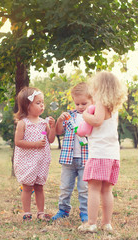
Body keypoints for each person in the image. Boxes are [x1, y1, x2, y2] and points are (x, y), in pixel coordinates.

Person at [77, 71, 127, 233]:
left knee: (93, 188)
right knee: (107, 190)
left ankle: (91, 223)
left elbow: (97, 121)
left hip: (99, 154)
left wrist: (85, 115)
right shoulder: (114, 108)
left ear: (99, 88)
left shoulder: (99, 104)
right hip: (112, 155)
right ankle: (106, 223)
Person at [52, 82, 93, 223]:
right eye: (77, 104)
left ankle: (85, 212)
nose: (80, 107)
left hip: (85, 160)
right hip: (68, 159)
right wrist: (59, 120)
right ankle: (63, 210)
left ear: (92, 101)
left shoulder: (92, 117)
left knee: (84, 189)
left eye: (84, 103)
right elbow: (58, 131)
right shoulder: (70, 116)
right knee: (65, 187)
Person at [13, 87, 56, 221]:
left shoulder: (44, 123)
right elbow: (18, 142)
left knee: (39, 186)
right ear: (27, 105)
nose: (42, 105)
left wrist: (53, 127)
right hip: (27, 161)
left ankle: (41, 212)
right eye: (38, 103)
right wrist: (35, 144)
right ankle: (26, 212)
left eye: (43, 102)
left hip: (41, 160)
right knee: (27, 187)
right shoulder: (23, 123)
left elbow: (50, 139)